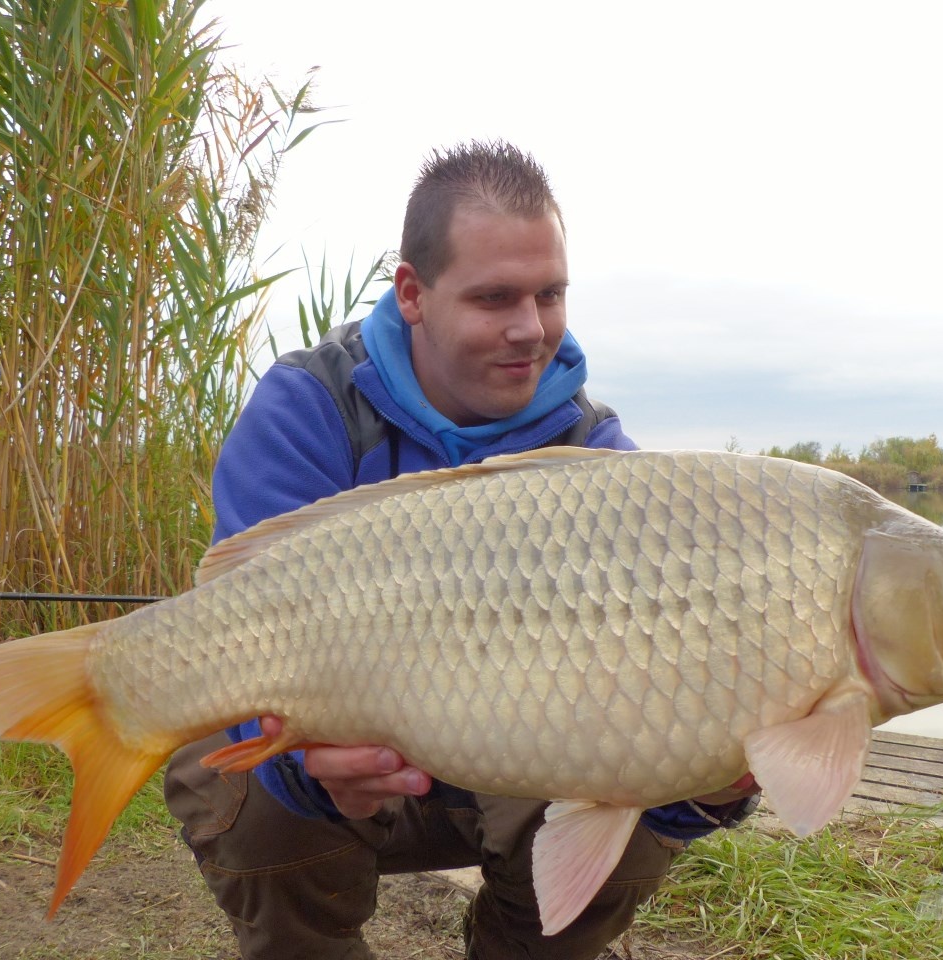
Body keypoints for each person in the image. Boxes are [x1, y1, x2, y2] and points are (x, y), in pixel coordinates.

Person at [164, 140, 758, 960]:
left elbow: (651, 737)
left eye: (551, 294)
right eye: (494, 297)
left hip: (506, 775)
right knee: (229, 775)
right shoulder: (311, 408)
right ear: (413, 292)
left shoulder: (598, 459)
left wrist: (714, 782)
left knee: (628, 826)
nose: (531, 328)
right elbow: (235, 635)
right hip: (342, 775)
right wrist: (309, 766)